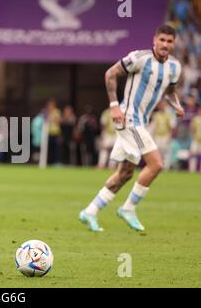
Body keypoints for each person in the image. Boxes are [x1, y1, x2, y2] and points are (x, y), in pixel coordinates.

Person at [79, 24, 185, 232]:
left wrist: (177, 105)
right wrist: (114, 106)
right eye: (162, 40)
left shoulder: (175, 67)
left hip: (140, 122)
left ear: (174, 44)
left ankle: (90, 211)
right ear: (154, 40)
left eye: (169, 41)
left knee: (125, 174)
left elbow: (169, 90)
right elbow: (110, 73)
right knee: (156, 165)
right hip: (129, 119)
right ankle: (128, 208)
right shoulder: (139, 58)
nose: (165, 44)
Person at [189, 106, 201, 172]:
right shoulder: (195, 119)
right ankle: (192, 170)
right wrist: (193, 136)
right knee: (192, 154)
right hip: (196, 140)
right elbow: (192, 129)